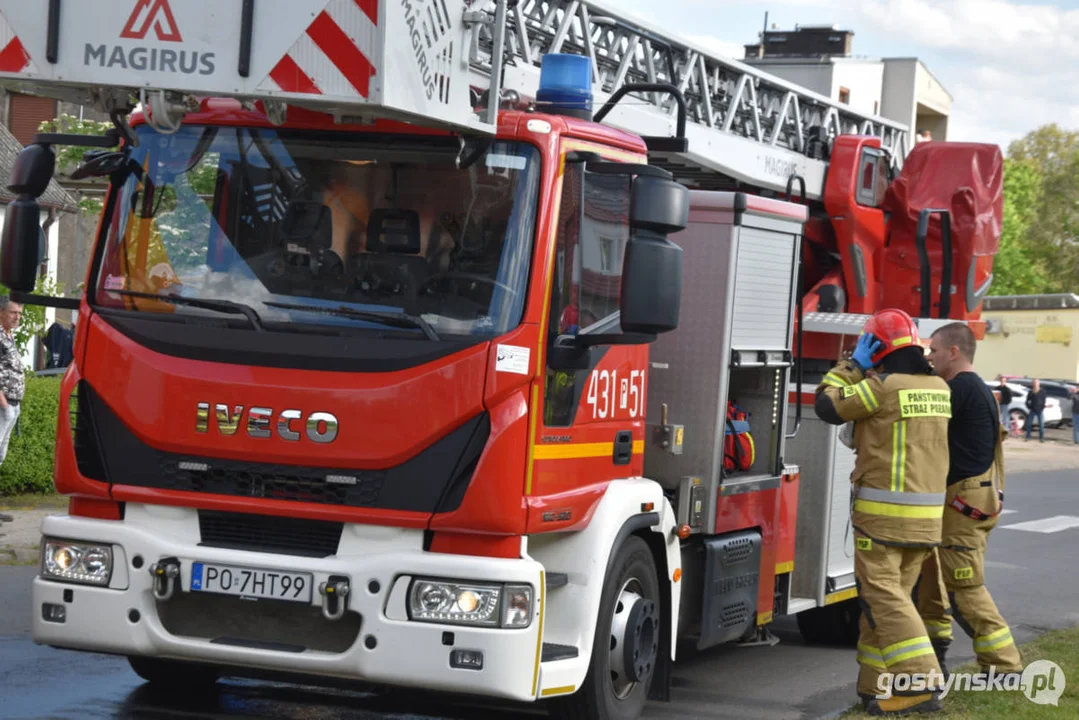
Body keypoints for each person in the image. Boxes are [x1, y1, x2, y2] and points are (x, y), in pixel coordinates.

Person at [815, 308, 950, 715]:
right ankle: (873, 688)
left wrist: (852, 365)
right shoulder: (941, 387)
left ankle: (922, 683)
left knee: (885, 601)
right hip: (925, 521)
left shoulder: (881, 387)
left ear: (878, 348)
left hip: (883, 518)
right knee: (883, 607)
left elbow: (827, 405)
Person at [917, 323, 1023, 680]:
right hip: (965, 499)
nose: (928, 357)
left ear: (954, 352)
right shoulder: (973, 389)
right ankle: (934, 658)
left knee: (964, 586)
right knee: (933, 581)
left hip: (963, 503)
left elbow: (920, 425)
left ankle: (1004, 667)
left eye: (933, 351)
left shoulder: (959, 389)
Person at [0, 297, 24, 465]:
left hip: (12, 402)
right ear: (1, 312)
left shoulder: (9, 335)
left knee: (1, 454)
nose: (17, 317)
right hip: (3, 404)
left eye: (20, 314)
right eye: (13, 312)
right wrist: (4, 404)